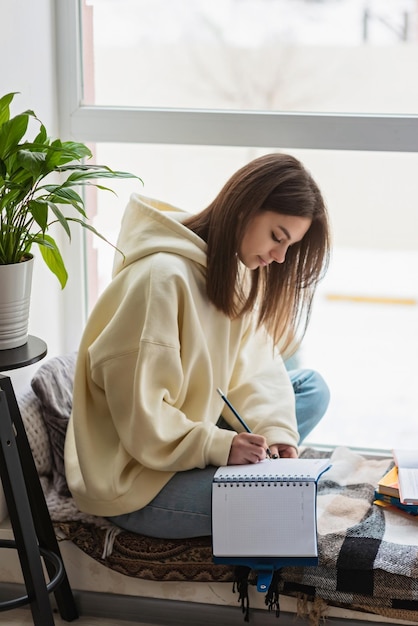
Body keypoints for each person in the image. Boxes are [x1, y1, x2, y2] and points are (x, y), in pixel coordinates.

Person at [64, 152, 331, 539]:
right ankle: (225, 465)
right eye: (277, 237)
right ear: (245, 208)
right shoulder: (160, 279)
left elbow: (254, 367)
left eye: (288, 246)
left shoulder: (230, 270)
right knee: (278, 507)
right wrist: (219, 445)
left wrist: (275, 435)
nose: (279, 257)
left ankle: (236, 460)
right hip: (136, 478)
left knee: (311, 389)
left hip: (181, 443)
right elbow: (142, 420)